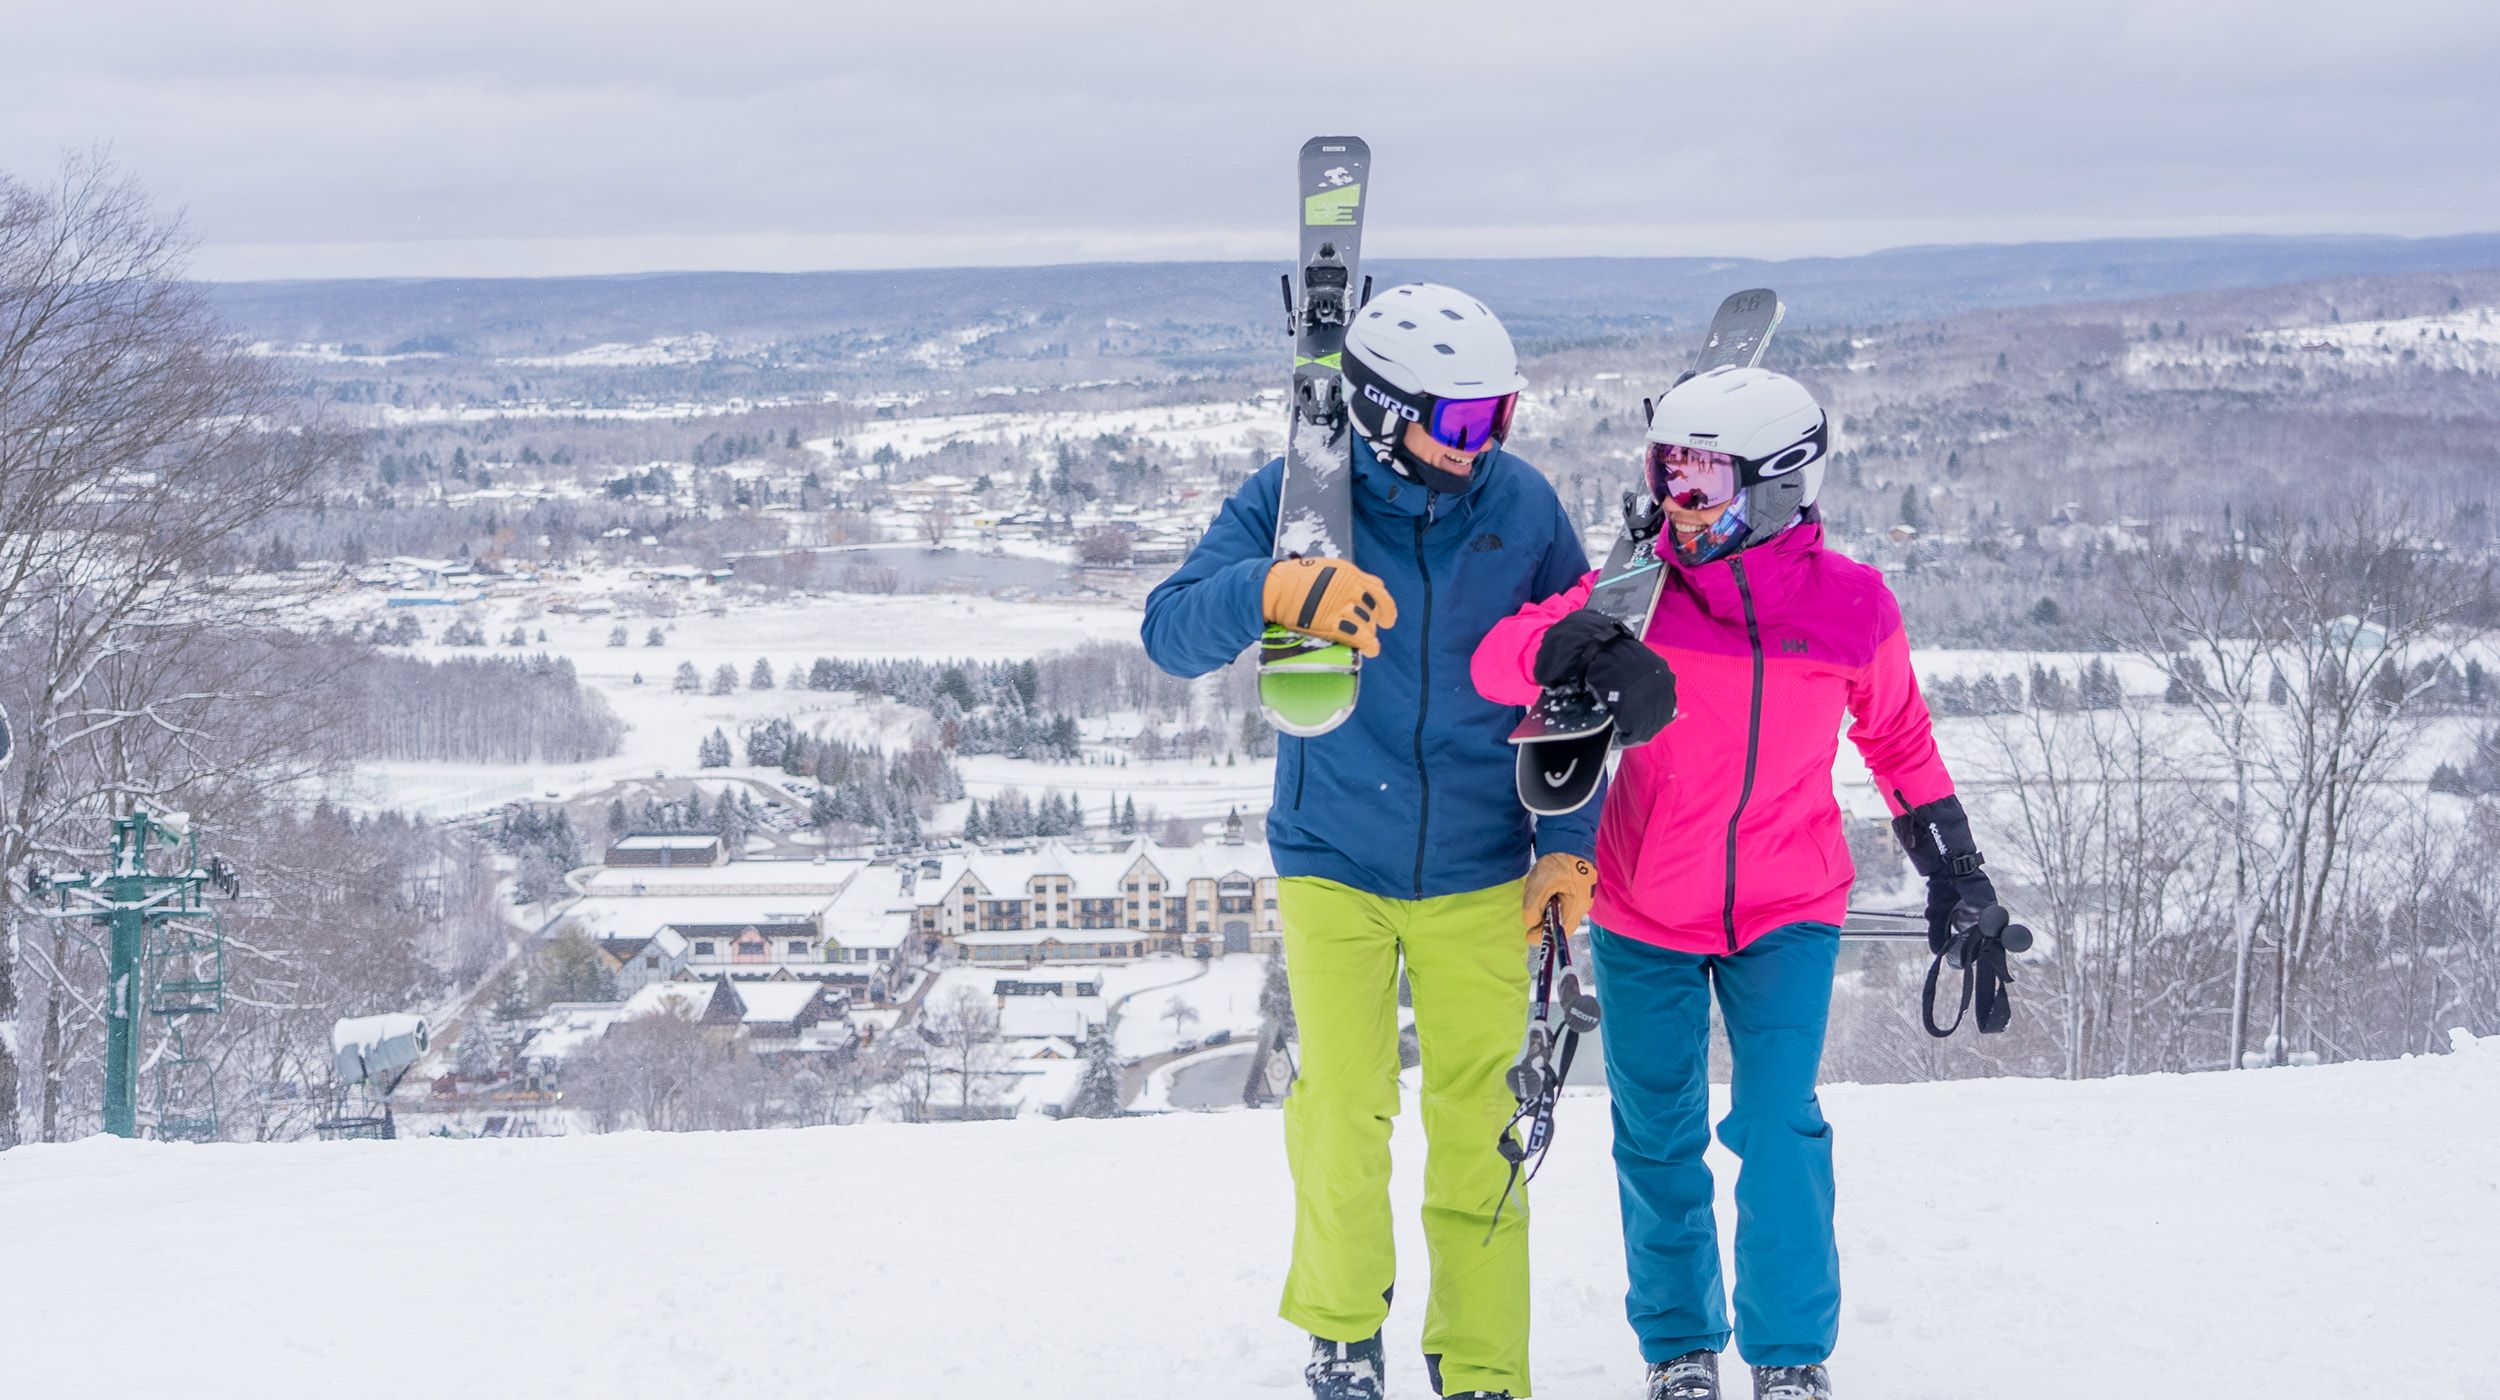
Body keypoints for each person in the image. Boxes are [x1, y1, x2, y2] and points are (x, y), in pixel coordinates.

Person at [1469, 367, 2019, 1400]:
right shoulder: (1636, 591)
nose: (1679, 496)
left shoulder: (1851, 604)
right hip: (1644, 905)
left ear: (1775, 485)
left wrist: (1955, 867)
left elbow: (1896, 734)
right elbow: (1498, 664)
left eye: (1703, 476)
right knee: (1658, 1131)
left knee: (1776, 1125)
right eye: (1666, 469)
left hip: (1787, 905)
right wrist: (1573, 637)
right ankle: (1679, 1346)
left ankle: (1788, 1355)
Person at [1143, 283, 1598, 1400]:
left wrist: (1567, 843)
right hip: (1333, 855)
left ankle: (1483, 1360)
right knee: (1342, 1108)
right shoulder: (1298, 501)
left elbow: (1582, 682)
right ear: (1381, 411)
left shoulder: (1524, 508)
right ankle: (1344, 1333)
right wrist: (1274, 585)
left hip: (1484, 866)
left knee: (1480, 1117)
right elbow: (1168, 631)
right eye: (1457, 422)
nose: (1480, 444)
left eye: (1497, 416)